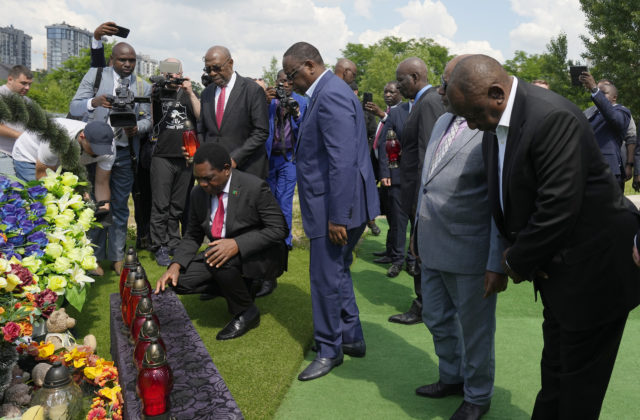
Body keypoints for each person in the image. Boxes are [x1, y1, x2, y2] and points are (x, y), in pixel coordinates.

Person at [447, 54, 640, 420]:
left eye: (472, 114)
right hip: (560, 270)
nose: (470, 124)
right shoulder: (495, 123)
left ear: (496, 94)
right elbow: (510, 196)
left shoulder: (551, 117)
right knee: (555, 372)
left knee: (578, 388)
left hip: (595, 273)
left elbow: (557, 207)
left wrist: (513, 260)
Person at [414, 55, 506, 420]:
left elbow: (498, 202)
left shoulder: (488, 127)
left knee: (475, 331)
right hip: (431, 244)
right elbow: (428, 183)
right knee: (436, 317)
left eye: (447, 83)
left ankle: (478, 396)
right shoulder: (442, 120)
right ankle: (451, 377)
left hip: (470, 252)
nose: (441, 90)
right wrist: (416, 233)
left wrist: (496, 260)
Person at [282, 42, 379, 381]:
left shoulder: (331, 94)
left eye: (292, 74)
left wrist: (338, 216)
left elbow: (342, 160)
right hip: (338, 204)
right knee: (338, 272)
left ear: (310, 65)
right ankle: (351, 337)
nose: (289, 81)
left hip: (334, 209)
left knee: (324, 278)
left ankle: (329, 349)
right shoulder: (330, 91)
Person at [154, 142, 288, 340]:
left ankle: (246, 311)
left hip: (259, 254)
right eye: (198, 179)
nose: (203, 184)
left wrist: (237, 244)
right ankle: (241, 287)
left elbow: (279, 229)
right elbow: (192, 235)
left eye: (208, 178)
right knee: (179, 281)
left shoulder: (254, 187)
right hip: (221, 254)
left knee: (218, 257)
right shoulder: (198, 194)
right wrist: (175, 265)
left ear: (226, 169)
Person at [69, 42, 152, 275]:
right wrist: (94, 102)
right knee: (95, 205)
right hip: (94, 152)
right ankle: (93, 258)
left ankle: (117, 256)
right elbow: (74, 107)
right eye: (122, 59)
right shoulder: (96, 76)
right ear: (112, 60)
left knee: (120, 206)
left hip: (124, 152)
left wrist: (137, 128)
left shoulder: (143, 86)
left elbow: (149, 120)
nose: (127, 64)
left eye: (132, 60)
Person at [388, 57, 446, 324]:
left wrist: (421, 201)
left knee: (422, 251)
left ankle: (424, 306)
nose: (398, 85)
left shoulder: (429, 102)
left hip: (422, 195)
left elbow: (428, 153)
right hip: (415, 193)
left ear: (414, 77)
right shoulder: (422, 102)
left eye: (401, 80)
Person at [259, 70, 307, 297]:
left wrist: (295, 112)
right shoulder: (269, 101)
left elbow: (305, 128)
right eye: (281, 81)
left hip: (290, 159)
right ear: (276, 82)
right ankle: (269, 237)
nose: (285, 85)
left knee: (285, 201)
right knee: (269, 202)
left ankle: (284, 241)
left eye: (289, 81)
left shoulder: (302, 101)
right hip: (269, 158)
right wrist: (264, 101)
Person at [149, 58, 201, 267]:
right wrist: (158, 89)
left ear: (181, 72)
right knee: (160, 204)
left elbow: (200, 115)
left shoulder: (189, 92)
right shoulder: (157, 92)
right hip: (162, 156)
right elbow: (151, 118)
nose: (172, 75)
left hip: (186, 157)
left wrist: (190, 92)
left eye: (175, 71)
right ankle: (159, 245)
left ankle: (173, 242)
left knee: (178, 206)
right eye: (167, 71)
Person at [199, 46, 269, 178]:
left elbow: (261, 131)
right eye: (208, 70)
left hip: (247, 169)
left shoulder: (252, 90)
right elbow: (201, 130)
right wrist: (205, 156)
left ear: (230, 63)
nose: (212, 73)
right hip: (215, 170)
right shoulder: (206, 94)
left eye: (216, 68)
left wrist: (235, 158)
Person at [370, 81, 413, 278]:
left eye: (391, 91)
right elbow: (387, 145)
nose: (387, 94)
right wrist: (387, 173)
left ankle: (412, 261)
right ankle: (397, 260)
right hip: (397, 177)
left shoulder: (426, 110)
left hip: (419, 178)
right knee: (397, 221)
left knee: (416, 224)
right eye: (385, 91)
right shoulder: (395, 113)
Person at [580, 73, 631, 190]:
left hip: (609, 169)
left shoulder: (622, 111)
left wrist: (595, 89)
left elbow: (613, 118)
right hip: (589, 168)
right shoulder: (591, 112)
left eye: (604, 93)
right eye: (599, 93)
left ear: (614, 97)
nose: (600, 95)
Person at [0, 65, 33, 177]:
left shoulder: (27, 101)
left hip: (22, 156)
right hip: (3, 154)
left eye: (29, 84)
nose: (27, 87)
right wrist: (22, 136)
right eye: (23, 83)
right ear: (10, 79)